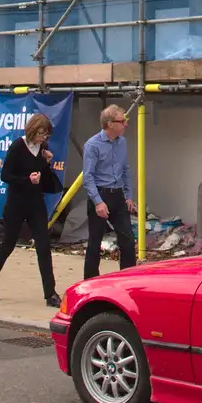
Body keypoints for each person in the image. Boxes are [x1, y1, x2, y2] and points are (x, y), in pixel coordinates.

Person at [0, 114, 62, 305]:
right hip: (17, 202)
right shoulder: (18, 146)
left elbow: (42, 175)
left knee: (43, 245)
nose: (43, 138)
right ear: (33, 130)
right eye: (41, 134)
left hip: (35, 202)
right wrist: (27, 180)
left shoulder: (43, 148)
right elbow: (5, 175)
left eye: (46, 135)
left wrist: (46, 163)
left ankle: (50, 293)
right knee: (8, 244)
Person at [81, 103, 136, 279]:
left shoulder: (122, 142)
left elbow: (125, 169)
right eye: (122, 121)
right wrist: (98, 202)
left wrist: (128, 196)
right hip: (101, 194)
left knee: (127, 240)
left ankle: (127, 278)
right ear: (110, 124)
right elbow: (87, 177)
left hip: (118, 194)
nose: (125, 124)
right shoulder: (93, 145)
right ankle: (90, 281)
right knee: (95, 242)